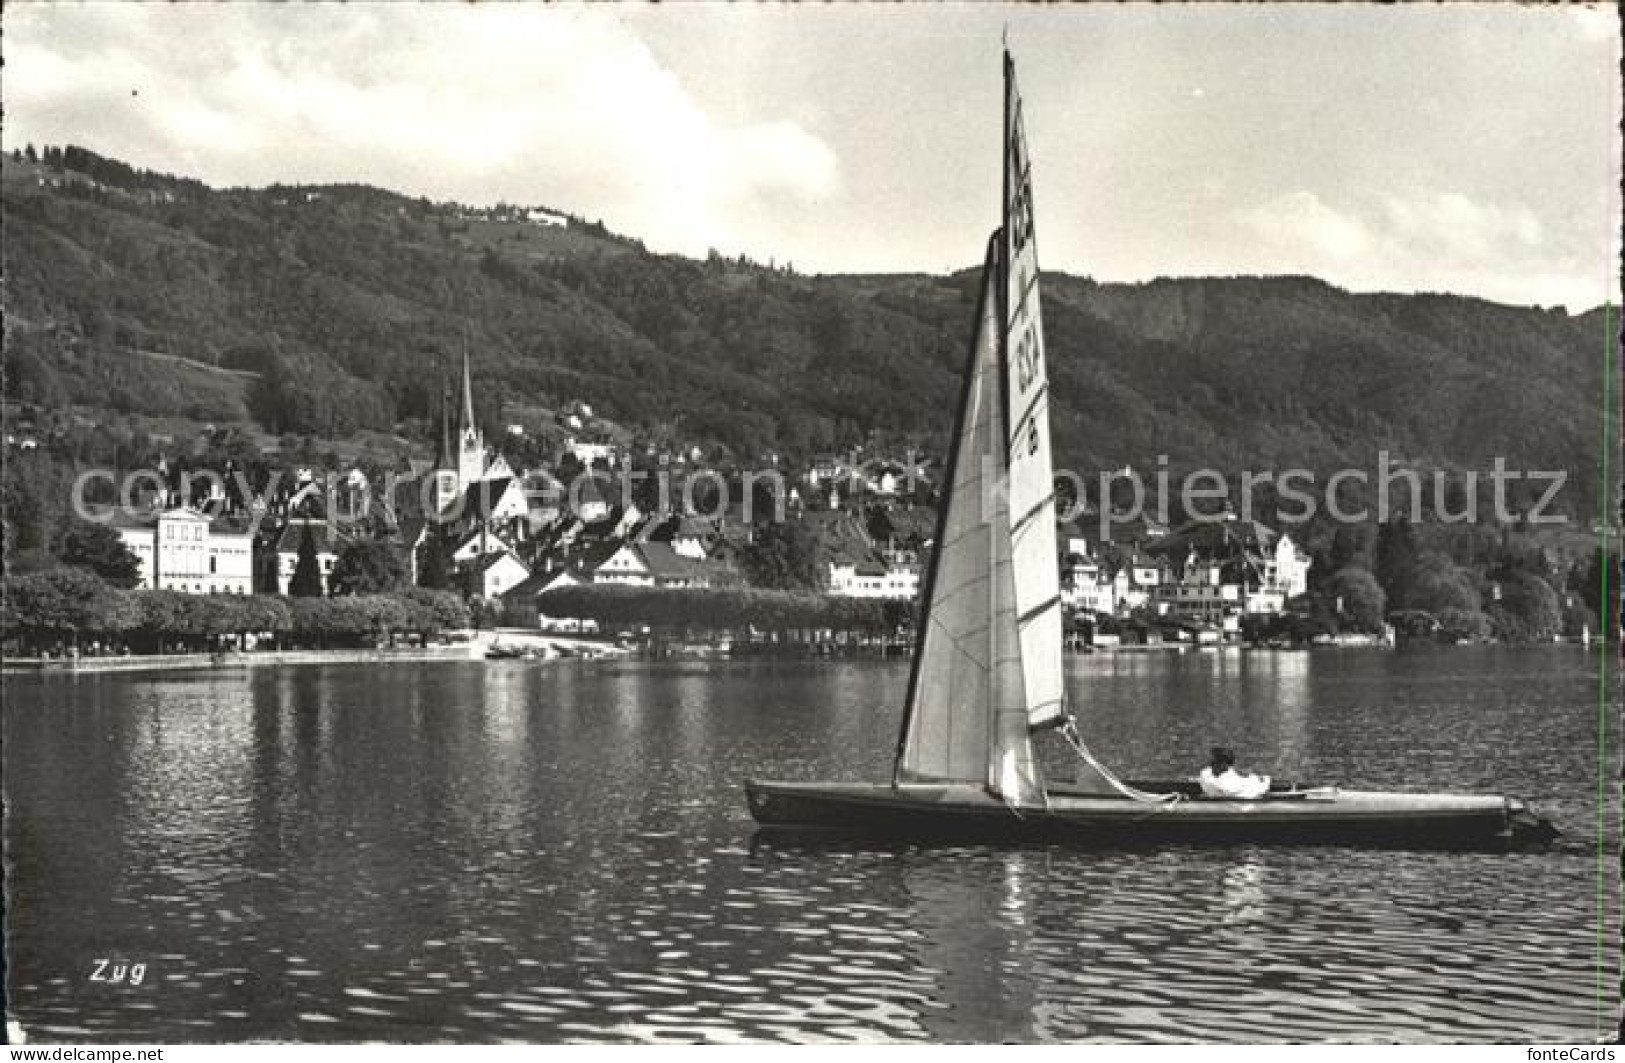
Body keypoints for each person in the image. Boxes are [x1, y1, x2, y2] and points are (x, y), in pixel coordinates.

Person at [1198, 746, 1271, 799]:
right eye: (1211, 763)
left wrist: (1260, 779)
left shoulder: (1228, 782)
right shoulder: (1207, 774)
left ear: (1224, 764)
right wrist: (1262, 780)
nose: (1211, 766)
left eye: (1213, 763)